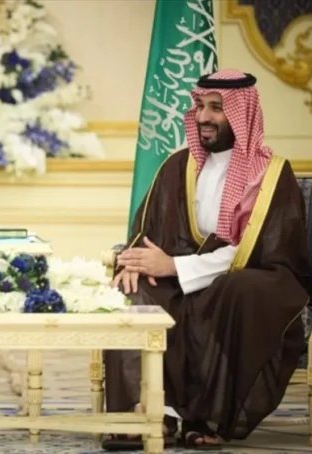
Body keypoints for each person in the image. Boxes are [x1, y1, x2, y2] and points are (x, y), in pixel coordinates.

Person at [101, 69, 310, 451]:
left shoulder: (271, 175)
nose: (203, 117)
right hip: (181, 279)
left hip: (250, 280)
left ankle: (208, 418)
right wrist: (135, 262)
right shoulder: (177, 166)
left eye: (216, 108)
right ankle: (149, 413)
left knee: (239, 290)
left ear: (242, 113)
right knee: (131, 290)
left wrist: (177, 267)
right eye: (199, 106)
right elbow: (148, 230)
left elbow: (265, 249)